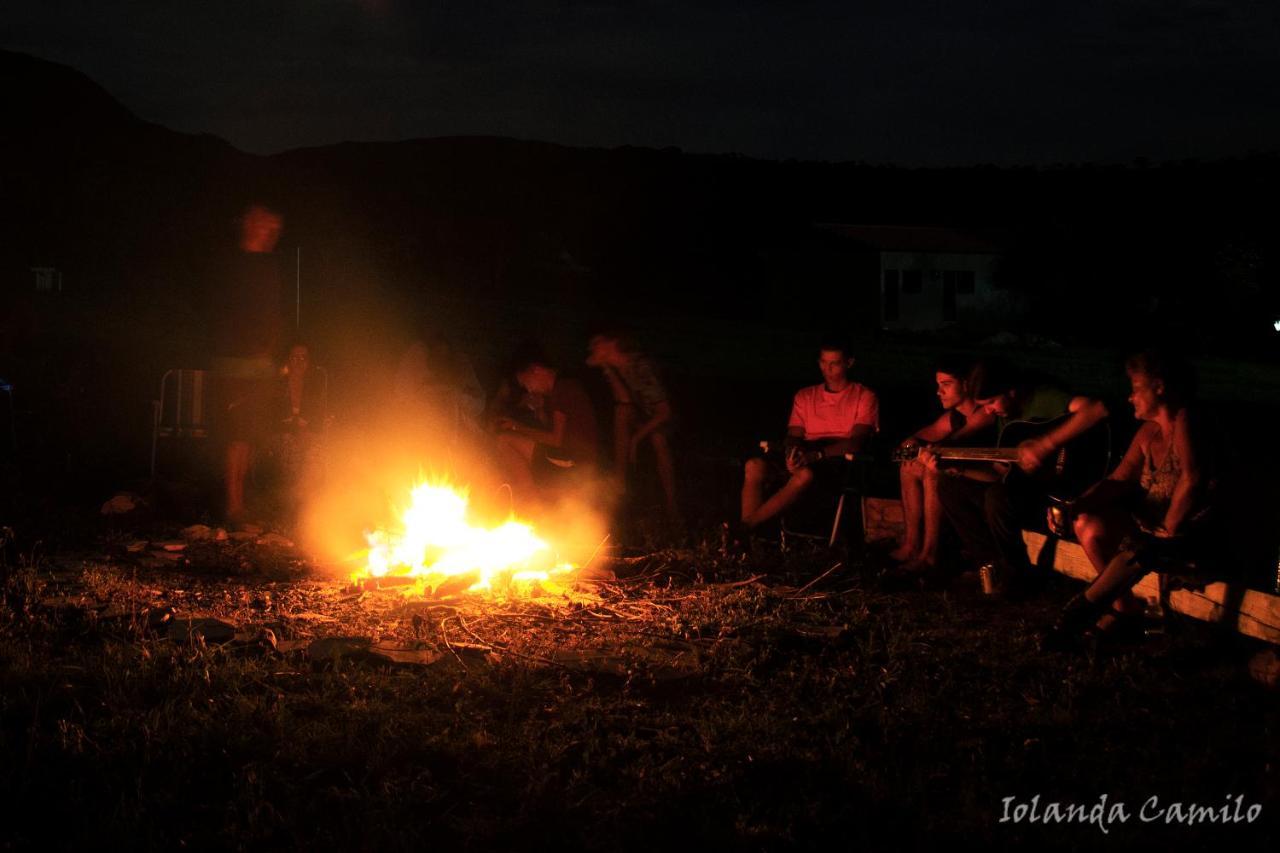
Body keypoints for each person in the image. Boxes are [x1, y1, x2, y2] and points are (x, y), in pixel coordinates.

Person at [1043, 349, 1215, 648]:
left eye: (1136, 389)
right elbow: (1119, 480)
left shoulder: (1188, 417)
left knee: (1141, 549)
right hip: (1153, 536)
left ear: (1159, 387)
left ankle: (1070, 621)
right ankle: (1121, 609)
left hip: (1196, 534)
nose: (1130, 397)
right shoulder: (1149, 431)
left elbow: (1193, 477)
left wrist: (1169, 530)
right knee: (1088, 522)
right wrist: (1075, 506)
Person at [925, 358, 1108, 592]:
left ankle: (1018, 575)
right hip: (1027, 491)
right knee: (951, 486)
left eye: (991, 402)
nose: (989, 410)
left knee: (997, 498)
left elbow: (1097, 409)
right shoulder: (1006, 418)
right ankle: (991, 567)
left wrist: (1046, 444)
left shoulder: (1042, 398)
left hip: (1063, 488)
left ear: (1011, 391)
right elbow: (1000, 473)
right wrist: (959, 468)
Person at [736, 336, 879, 537]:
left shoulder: (864, 396)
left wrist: (817, 455)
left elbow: (856, 441)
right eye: (823, 362)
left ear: (849, 363)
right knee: (754, 465)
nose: (827, 369)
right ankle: (748, 533)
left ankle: (745, 529)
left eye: (834, 363)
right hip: (806, 449)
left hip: (836, 457)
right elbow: (794, 435)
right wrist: (791, 454)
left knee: (804, 474)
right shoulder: (805, 395)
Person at [212, 204, 285, 523]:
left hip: (261, 365)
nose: (272, 232)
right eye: (267, 226)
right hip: (236, 363)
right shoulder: (234, 266)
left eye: (276, 229)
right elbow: (227, 314)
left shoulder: (268, 267)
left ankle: (242, 503)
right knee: (237, 435)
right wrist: (250, 347)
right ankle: (233, 505)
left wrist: (272, 353)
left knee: (252, 435)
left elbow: (272, 315)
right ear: (252, 225)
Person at [890, 357, 996, 573]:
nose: (939, 392)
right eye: (938, 385)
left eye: (946, 384)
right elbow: (918, 438)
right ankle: (911, 545)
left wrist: (927, 450)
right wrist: (913, 446)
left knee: (933, 470)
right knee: (909, 466)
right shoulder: (954, 417)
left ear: (966, 385)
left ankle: (930, 555)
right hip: (958, 477)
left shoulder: (984, 412)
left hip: (986, 480)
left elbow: (953, 441)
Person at [586, 330, 678, 517]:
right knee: (622, 411)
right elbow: (624, 400)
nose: (592, 348)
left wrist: (636, 438)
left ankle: (672, 506)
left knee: (658, 437)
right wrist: (607, 368)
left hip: (666, 417)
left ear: (613, 343)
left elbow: (665, 412)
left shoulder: (640, 366)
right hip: (644, 415)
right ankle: (619, 486)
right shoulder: (620, 367)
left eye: (598, 342)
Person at [493, 355, 598, 510]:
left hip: (574, 464)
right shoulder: (560, 389)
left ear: (536, 370)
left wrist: (517, 427)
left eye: (526, 383)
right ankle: (530, 501)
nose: (529, 389)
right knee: (508, 440)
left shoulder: (563, 389)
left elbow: (555, 439)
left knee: (505, 440)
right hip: (570, 458)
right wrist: (540, 411)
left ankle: (530, 505)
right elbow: (556, 433)